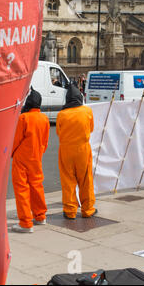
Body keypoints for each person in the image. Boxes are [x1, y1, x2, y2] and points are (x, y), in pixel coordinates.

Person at [11, 88, 50, 233]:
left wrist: (12, 153)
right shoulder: (44, 118)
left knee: (21, 188)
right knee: (37, 186)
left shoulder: (23, 118)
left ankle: (26, 223)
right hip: (36, 157)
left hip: (22, 158)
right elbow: (45, 142)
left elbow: (16, 140)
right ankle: (40, 216)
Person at [56, 82, 97, 220]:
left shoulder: (61, 114)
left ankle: (69, 210)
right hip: (83, 149)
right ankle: (88, 209)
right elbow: (91, 128)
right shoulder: (87, 111)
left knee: (68, 180)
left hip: (66, 150)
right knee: (85, 179)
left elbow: (58, 132)